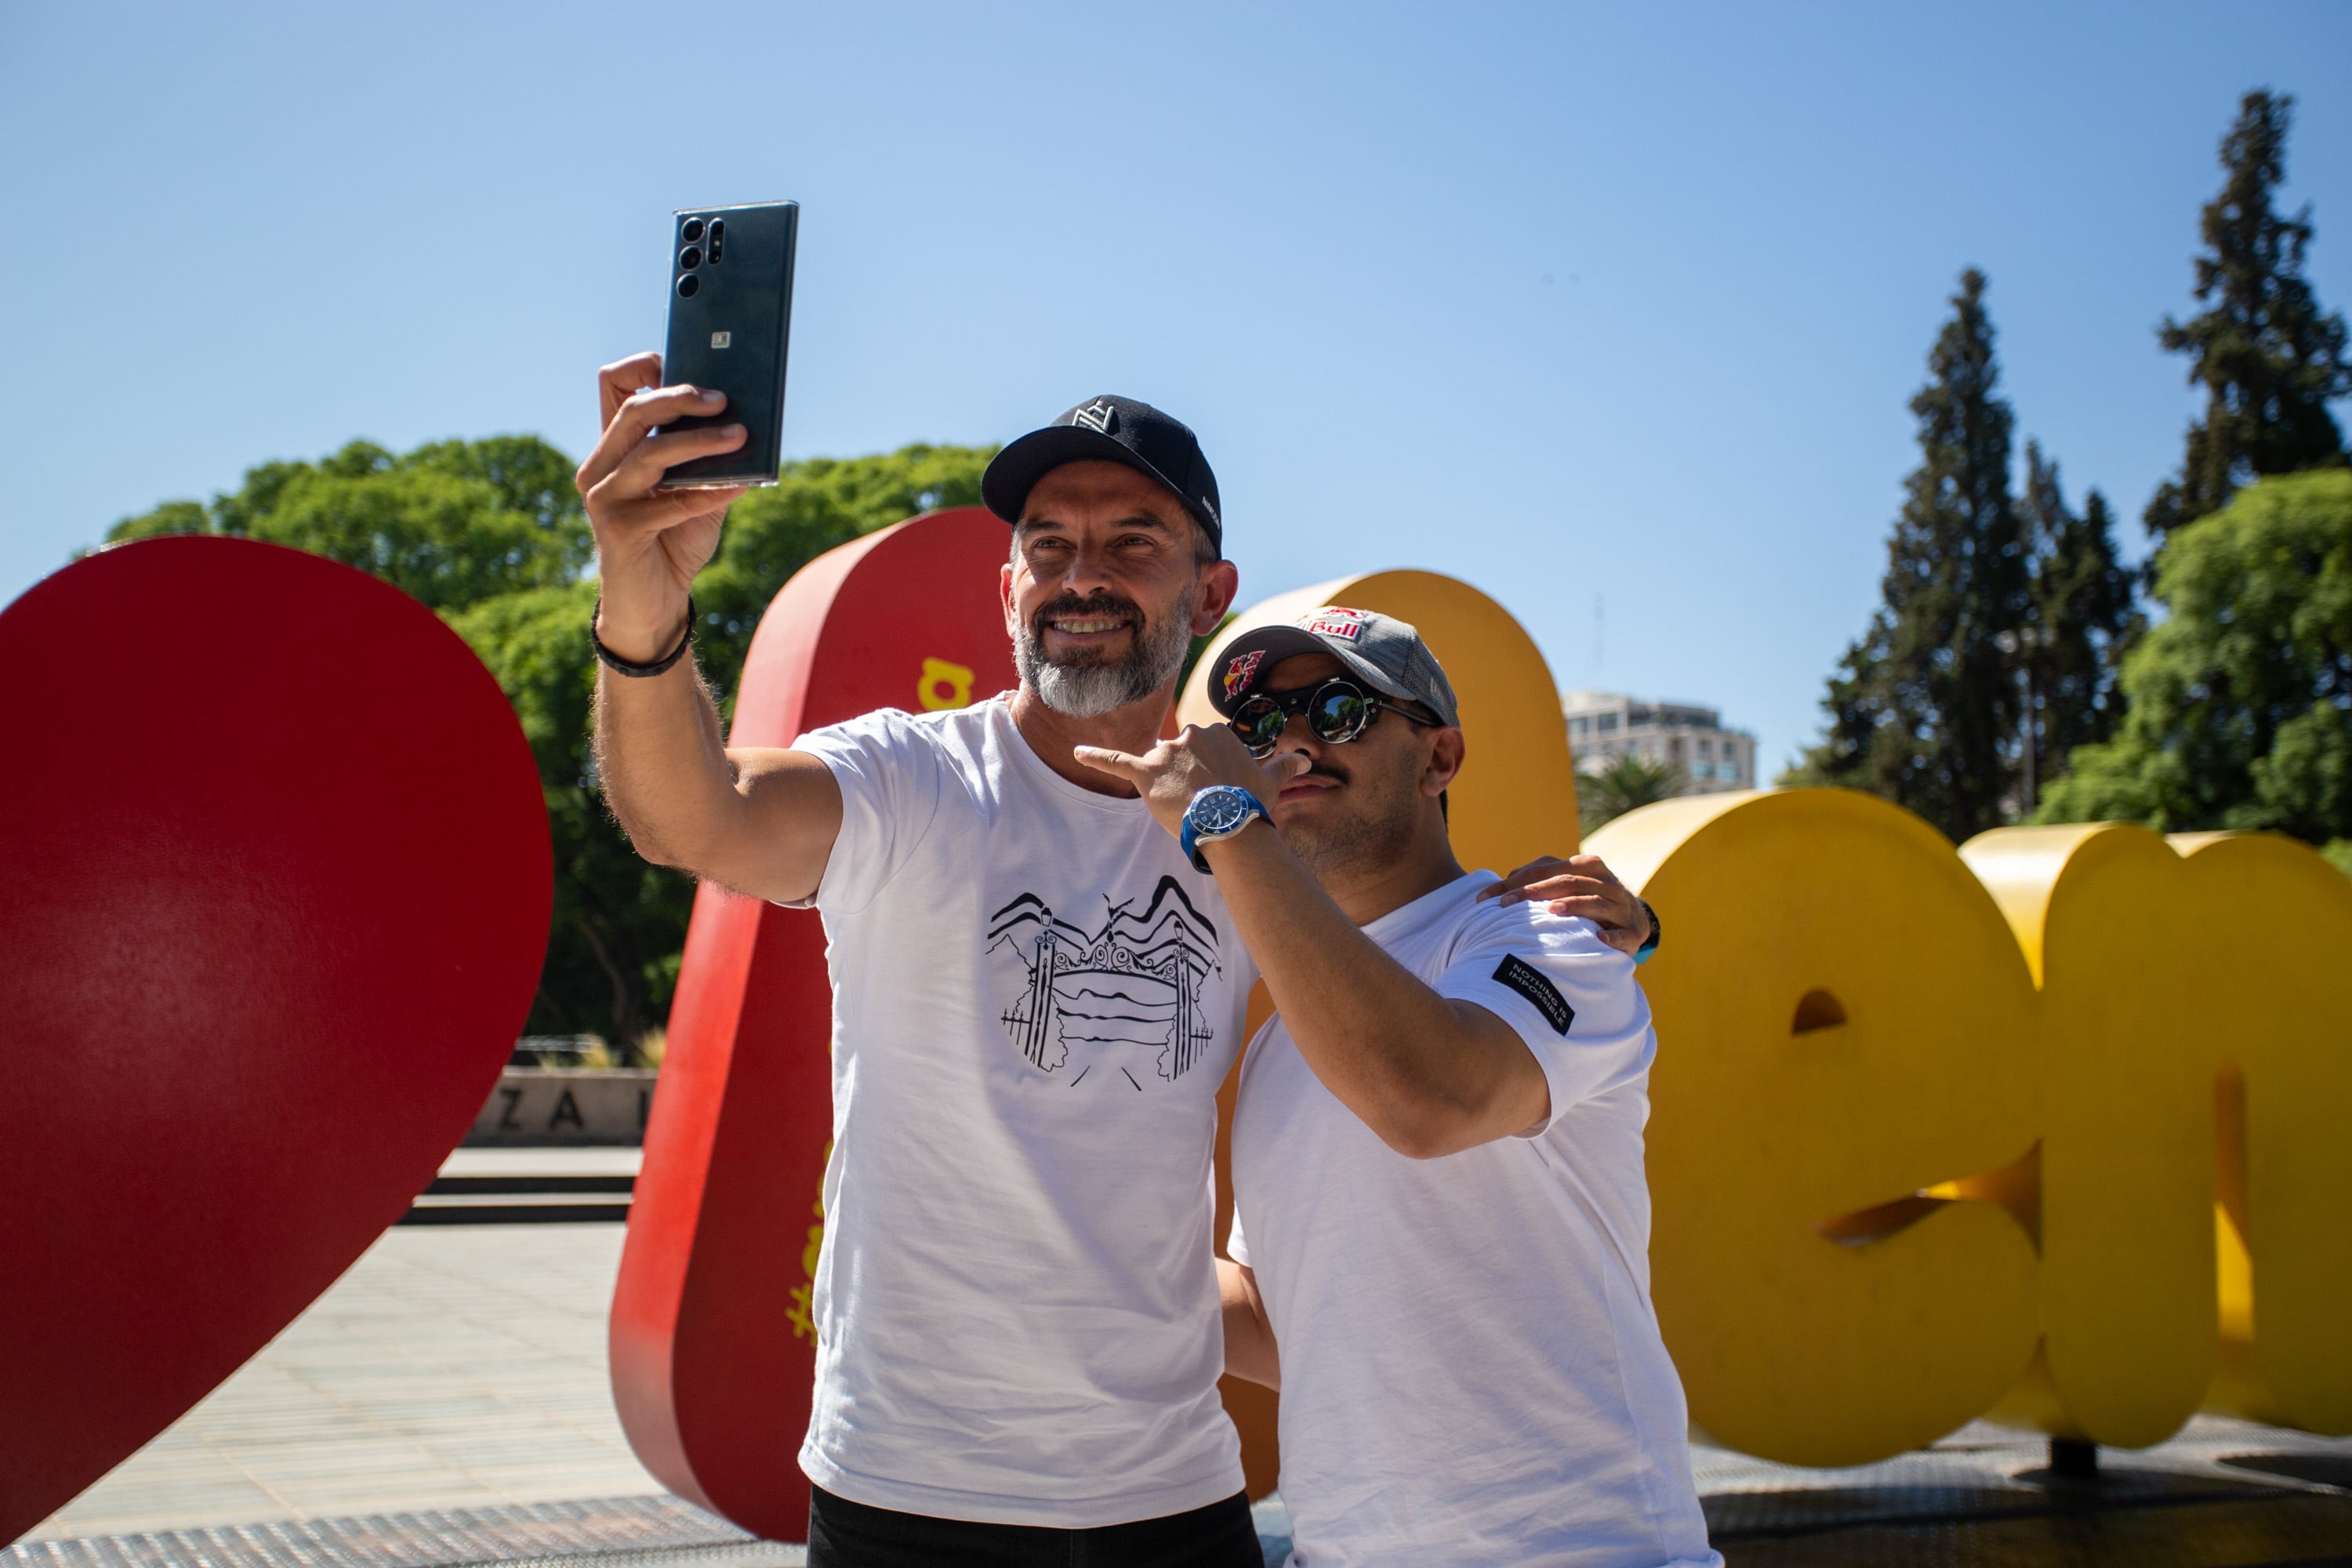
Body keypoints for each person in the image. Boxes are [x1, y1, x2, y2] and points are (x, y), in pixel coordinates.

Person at [576, 361, 1657, 1566]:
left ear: (1210, 588)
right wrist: (642, 604)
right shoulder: (915, 778)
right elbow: (696, 817)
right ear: (1008, 587)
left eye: (1133, 540)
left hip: (1176, 1498)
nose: (1082, 575)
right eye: (1050, 545)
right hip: (910, 1492)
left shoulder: (1253, 832)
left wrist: (1627, 922)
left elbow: (1431, 956)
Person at [1075, 608, 1718, 1568]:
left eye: (1337, 709)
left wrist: (1222, 820)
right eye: (1256, 728)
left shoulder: (1550, 935)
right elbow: (1277, 1313)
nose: (1288, 741)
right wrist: (1055, 1242)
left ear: (1439, 757)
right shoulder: (1289, 1036)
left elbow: (1430, 1099)